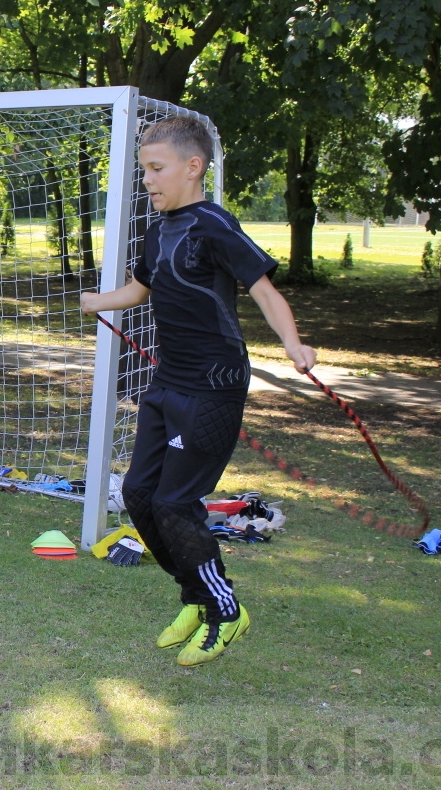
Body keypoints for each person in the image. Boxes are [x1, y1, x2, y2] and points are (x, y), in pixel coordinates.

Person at [80, 116, 317, 667]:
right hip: (168, 381)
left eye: (157, 169)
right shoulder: (157, 227)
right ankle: (197, 595)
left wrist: (293, 343)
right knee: (140, 495)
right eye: (144, 171)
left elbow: (262, 289)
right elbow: (142, 287)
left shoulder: (214, 224)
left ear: (194, 167)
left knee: (174, 502)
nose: (149, 181)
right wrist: (100, 301)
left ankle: (226, 610)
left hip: (214, 386)